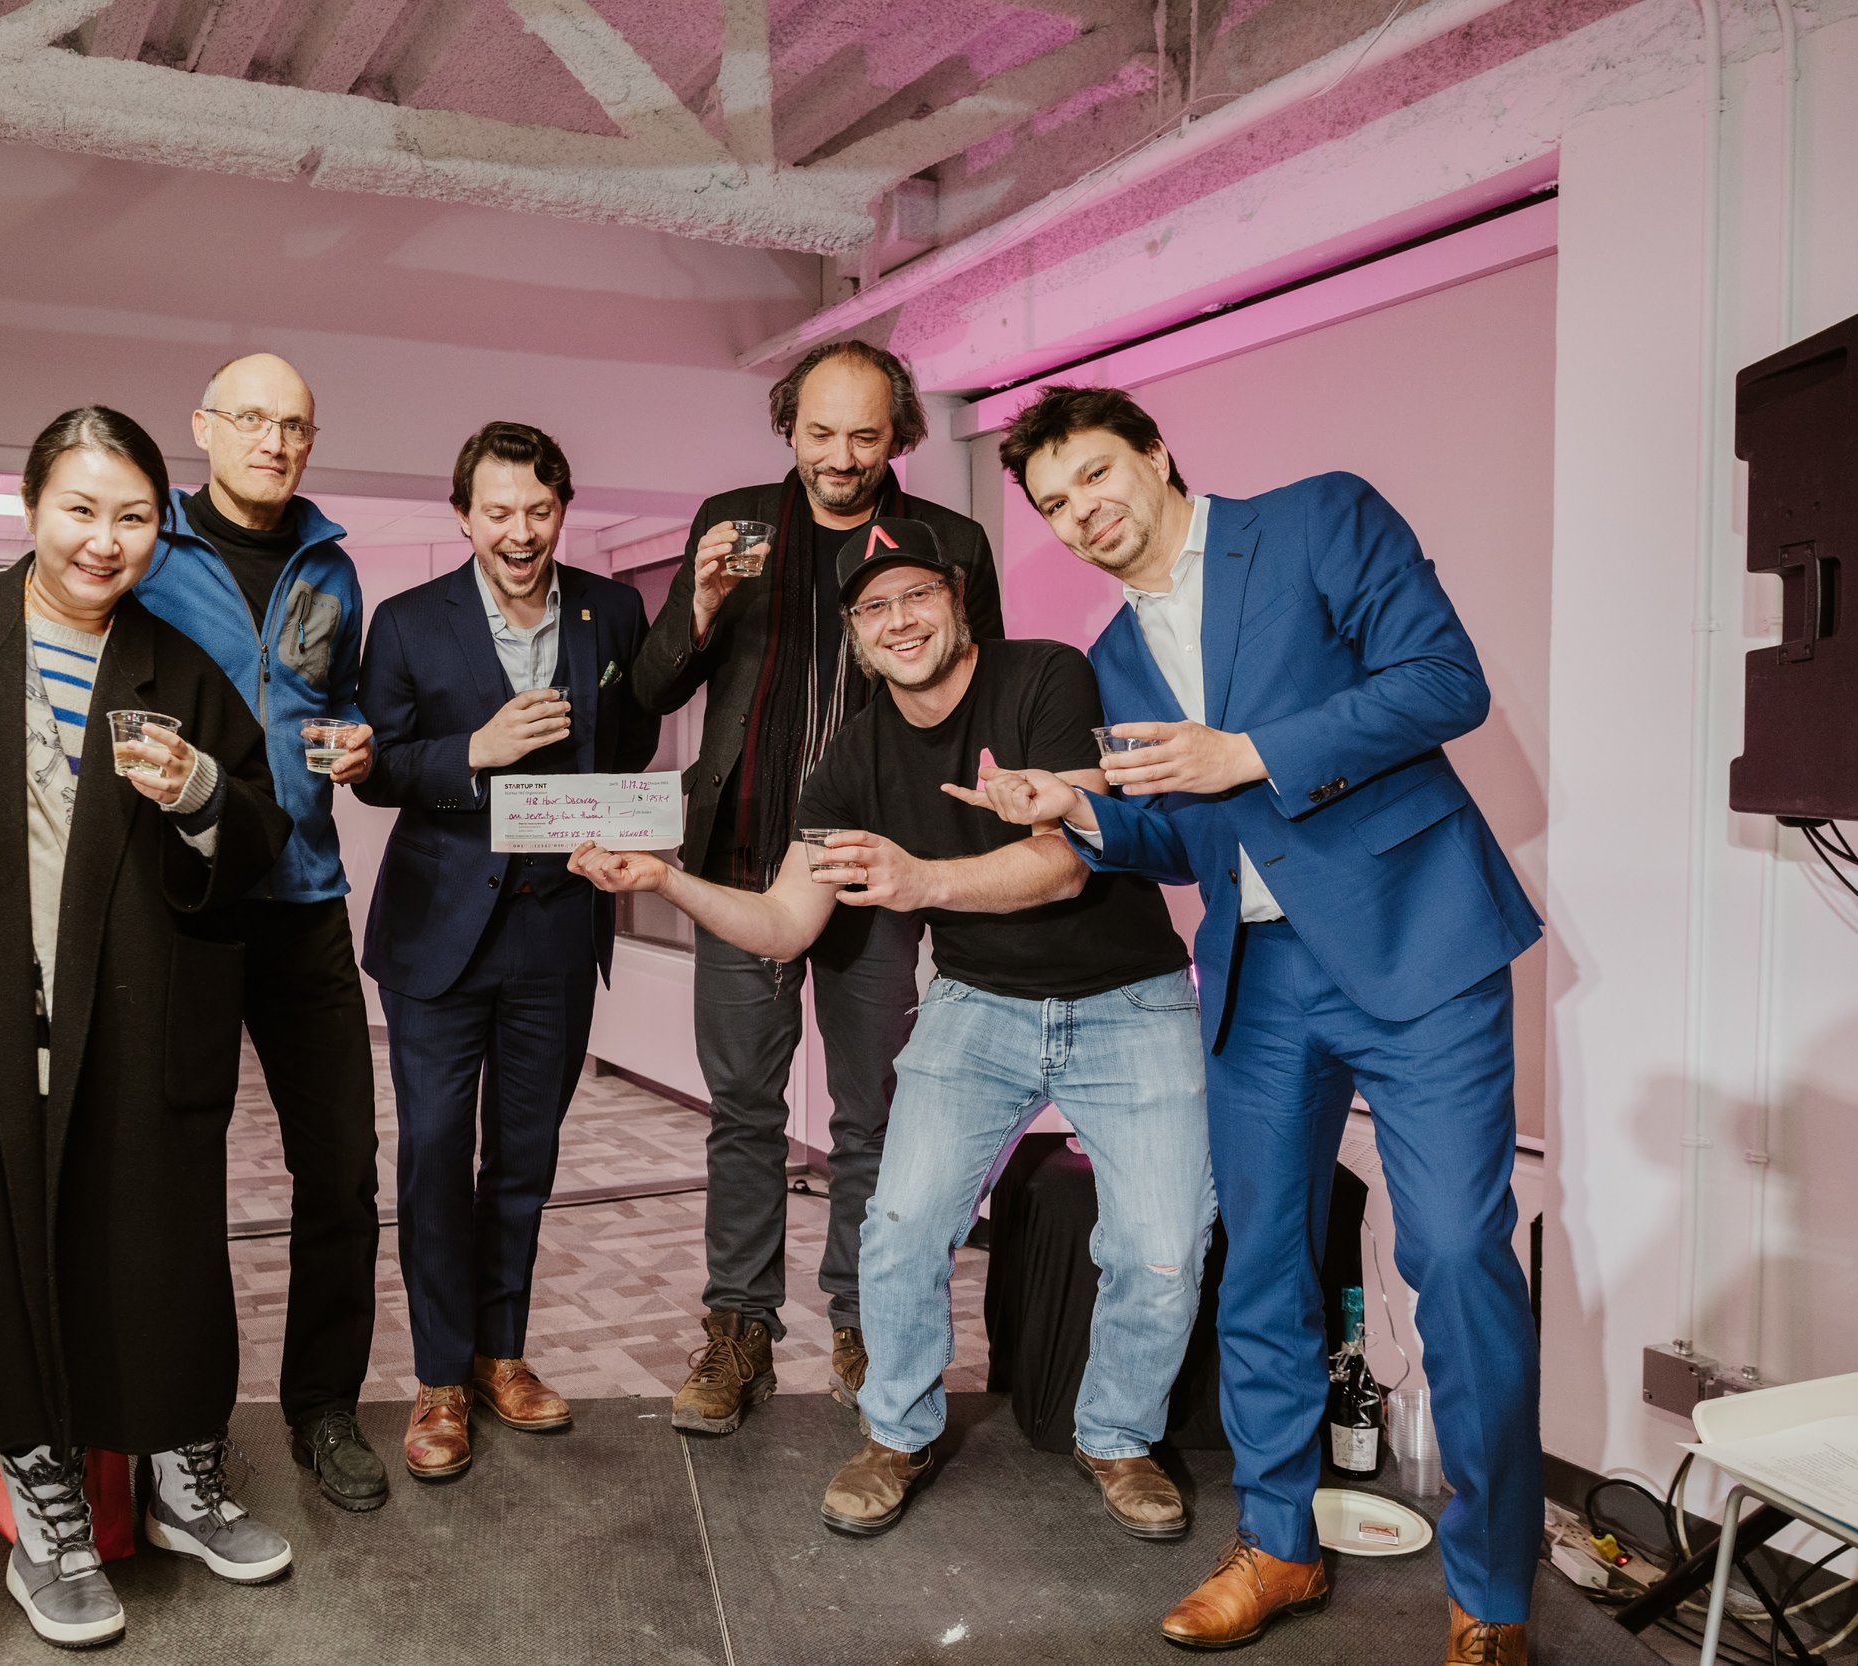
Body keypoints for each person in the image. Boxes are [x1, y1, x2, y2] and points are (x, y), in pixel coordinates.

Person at [992, 387, 1542, 1664]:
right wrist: (1071, 809)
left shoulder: (1314, 521)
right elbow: (1183, 836)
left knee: (1457, 1257)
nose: (1082, 515)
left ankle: (1492, 1596)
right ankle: (1280, 1545)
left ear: (1153, 452)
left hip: (1419, 941)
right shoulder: (1114, 656)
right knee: (1263, 1268)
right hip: (1260, 979)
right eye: (1056, 507)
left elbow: (1441, 682)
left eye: (1091, 478)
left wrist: (1246, 751)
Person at [574, 517, 1211, 1539]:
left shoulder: (1044, 677)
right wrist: (663, 879)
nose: (899, 618)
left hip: (1125, 999)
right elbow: (785, 925)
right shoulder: (850, 760)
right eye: (874, 606)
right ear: (855, 636)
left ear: (957, 600)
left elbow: (1063, 859)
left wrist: (919, 879)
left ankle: (1119, 1435)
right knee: (904, 1223)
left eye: (916, 594)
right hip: (979, 1006)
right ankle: (897, 1430)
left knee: (1161, 1244)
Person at [0, 407, 292, 1650]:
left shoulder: (181, 669)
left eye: (132, 517)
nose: (103, 540)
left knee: (158, 1251)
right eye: (81, 509)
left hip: (137, 1021)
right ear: (26, 505)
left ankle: (181, 1477)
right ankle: (45, 1508)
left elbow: (261, 841)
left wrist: (207, 794)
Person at [632, 339, 1004, 1434]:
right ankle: (739, 1331)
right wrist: (695, 605)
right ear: (786, 426)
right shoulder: (731, 522)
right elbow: (656, 687)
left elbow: (976, 693)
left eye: (865, 435)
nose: (841, 457)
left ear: (900, 437)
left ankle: (861, 1316)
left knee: (869, 1116)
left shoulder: (952, 543)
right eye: (821, 432)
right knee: (740, 1110)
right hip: (741, 857)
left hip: (877, 870)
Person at [353, 422, 660, 1481]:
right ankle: (438, 1375)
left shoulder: (611, 608)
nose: (519, 531)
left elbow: (630, 746)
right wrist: (473, 753)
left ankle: (499, 1354)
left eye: (538, 509)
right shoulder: (403, 623)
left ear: (562, 509)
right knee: (436, 1156)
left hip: (556, 929)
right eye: (497, 511)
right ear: (463, 516)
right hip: (439, 934)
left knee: (523, 1161)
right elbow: (377, 768)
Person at [133, 351, 390, 1510]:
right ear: (203, 428)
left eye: (295, 424)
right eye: (251, 419)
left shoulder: (331, 568)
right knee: (171, 1175)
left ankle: (324, 1408)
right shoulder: (146, 552)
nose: (274, 442)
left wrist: (355, 740)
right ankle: (179, 1413)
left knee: (338, 1173)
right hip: (179, 908)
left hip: (304, 904)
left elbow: (333, 708)